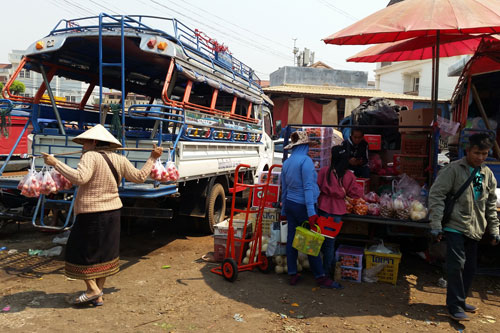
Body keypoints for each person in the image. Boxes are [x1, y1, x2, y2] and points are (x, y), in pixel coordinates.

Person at [41, 124, 163, 306]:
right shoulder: (119, 158)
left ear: (94, 142)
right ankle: (98, 294)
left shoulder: (90, 156)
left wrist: (56, 163)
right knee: (104, 254)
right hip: (112, 212)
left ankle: (92, 289)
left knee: (78, 251)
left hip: (91, 213)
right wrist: (152, 158)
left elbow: (80, 178)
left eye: (84, 142)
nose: (82, 146)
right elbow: (140, 177)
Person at [428, 133, 500, 321]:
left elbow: (490, 204)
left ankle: (460, 301)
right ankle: (454, 306)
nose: (481, 157)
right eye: (477, 153)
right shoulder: (453, 170)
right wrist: (435, 224)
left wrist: (494, 229)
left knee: (470, 268)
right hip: (455, 225)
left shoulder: (486, 174)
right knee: (456, 266)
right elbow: (436, 196)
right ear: (468, 150)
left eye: (484, 154)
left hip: (475, 228)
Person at [281, 131, 342, 289]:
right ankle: (321, 277)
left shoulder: (287, 163)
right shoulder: (306, 162)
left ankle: (292, 273)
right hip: (304, 206)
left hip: (290, 204)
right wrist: (312, 213)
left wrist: (283, 211)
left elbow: (284, 189)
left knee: (292, 240)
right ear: (303, 145)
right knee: (311, 241)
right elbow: (308, 188)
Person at [317, 145, 363, 279]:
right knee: (330, 243)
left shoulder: (324, 171)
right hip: (337, 212)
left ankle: (320, 270)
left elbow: (316, 186)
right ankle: (326, 272)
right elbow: (355, 193)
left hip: (323, 208)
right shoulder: (349, 176)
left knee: (320, 240)